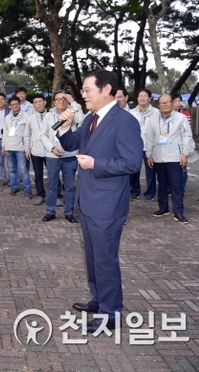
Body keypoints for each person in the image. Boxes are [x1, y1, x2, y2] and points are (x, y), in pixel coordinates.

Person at [56, 69, 143, 333]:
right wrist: (65, 127)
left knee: (105, 259)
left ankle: (111, 313)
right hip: (89, 200)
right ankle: (99, 299)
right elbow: (74, 143)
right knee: (93, 256)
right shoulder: (92, 118)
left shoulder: (124, 121)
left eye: (87, 90)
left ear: (106, 90)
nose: (82, 96)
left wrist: (97, 164)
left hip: (107, 204)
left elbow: (131, 162)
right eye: (82, 91)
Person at [145, 94, 193, 224]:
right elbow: (149, 137)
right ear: (158, 105)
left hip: (175, 157)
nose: (165, 105)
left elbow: (186, 136)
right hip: (158, 156)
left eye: (167, 102)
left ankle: (178, 211)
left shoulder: (181, 118)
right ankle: (163, 208)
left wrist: (185, 154)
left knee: (176, 185)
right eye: (162, 103)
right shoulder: (152, 119)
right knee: (162, 184)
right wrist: (149, 154)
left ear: (172, 103)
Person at [40, 91, 85, 223]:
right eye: (58, 99)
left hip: (70, 156)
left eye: (64, 99)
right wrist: (51, 148)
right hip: (52, 156)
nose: (61, 102)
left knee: (69, 186)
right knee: (53, 185)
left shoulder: (73, 113)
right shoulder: (48, 116)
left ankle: (69, 212)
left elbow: (82, 121)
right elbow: (43, 135)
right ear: (54, 102)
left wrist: (73, 103)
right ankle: (50, 211)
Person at [130, 88, 158, 201]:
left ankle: (150, 192)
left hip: (150, 145)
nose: (142, 98)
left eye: (145, 96)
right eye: (140, 96)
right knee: (134, 169)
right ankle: (134, 191)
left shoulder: (156, 112)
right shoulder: (132, 113)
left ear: (149, 98)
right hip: (135, 145)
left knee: (150, 170)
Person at [1, 96, 32, 198]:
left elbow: (28, 133)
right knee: (12, 169)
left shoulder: (26, 116)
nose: (14, 106)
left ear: (19, 105)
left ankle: (28, 190)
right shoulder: (7, 118)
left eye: (16, 104)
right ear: (9, 106)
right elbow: (5, 133)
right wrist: (3, 145)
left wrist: (27, 148)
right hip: (9, 148)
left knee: (23, 170)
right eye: (12, 104)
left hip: (20, 148)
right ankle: (15, 187)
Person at [24, 94, 48, 205]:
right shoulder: (30, 119)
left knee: (53, 173)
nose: (38, 104)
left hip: (50, 151)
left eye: (40, 101)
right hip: (36, 150)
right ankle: (40, 194)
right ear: (33, 105)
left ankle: (57, 195)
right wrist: (27, 149)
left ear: (45, 102)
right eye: (36, 102)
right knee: (38, 174)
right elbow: (27, 135)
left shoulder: (51, 116)